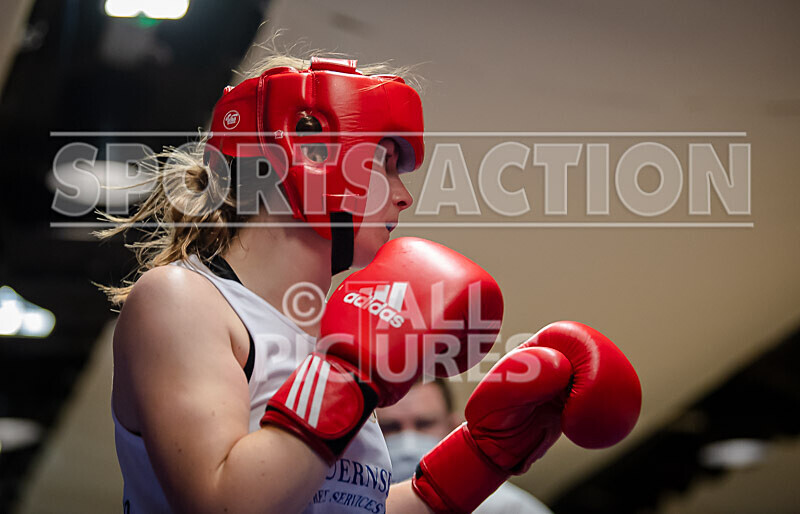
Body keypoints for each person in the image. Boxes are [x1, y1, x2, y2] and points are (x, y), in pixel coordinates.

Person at [101, 50, 642, 514]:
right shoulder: (181, 300)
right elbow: (225, 502)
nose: (404, 196)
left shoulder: (323, 337)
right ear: (310, 156)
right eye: (384, 163)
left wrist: (486, 453)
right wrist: (349, 370)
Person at [377, 379, 554, 513]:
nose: (408, 441)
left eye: (424, 424)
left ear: (453, 427)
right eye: (390, 428)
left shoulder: (508, 509)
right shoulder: (361, 503)